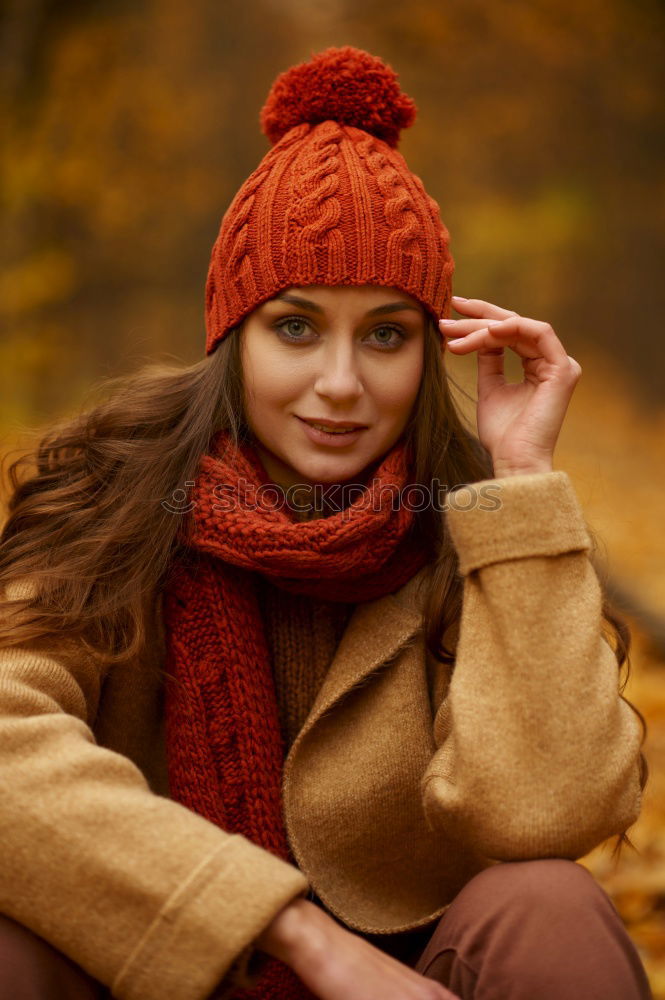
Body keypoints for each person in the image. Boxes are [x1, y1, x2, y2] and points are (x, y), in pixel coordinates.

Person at [0, 45, 652, 1000]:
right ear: (232, 336)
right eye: (295, 327)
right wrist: (295, 935)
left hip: (413, 979)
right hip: (157, 966)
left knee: (547, 905)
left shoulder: (466, 523)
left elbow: (548, 817)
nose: (340, 385)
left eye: (385, 334)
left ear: (429, 354)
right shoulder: (116, 503)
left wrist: (519, 484)